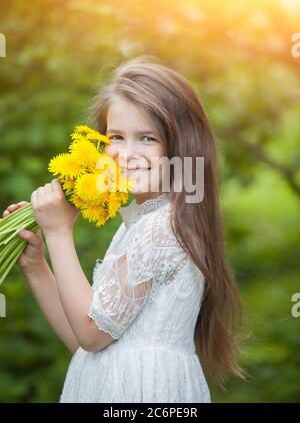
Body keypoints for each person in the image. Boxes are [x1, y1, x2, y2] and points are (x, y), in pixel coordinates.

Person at [2, 55, 246, 403]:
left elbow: (90, 334)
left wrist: (58, 233)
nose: (127, 153)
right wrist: (37, 266)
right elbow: (89, 345)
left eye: (147, 138)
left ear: (182, 146)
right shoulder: (141, 222)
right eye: (116, 136)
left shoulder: (160, 229)